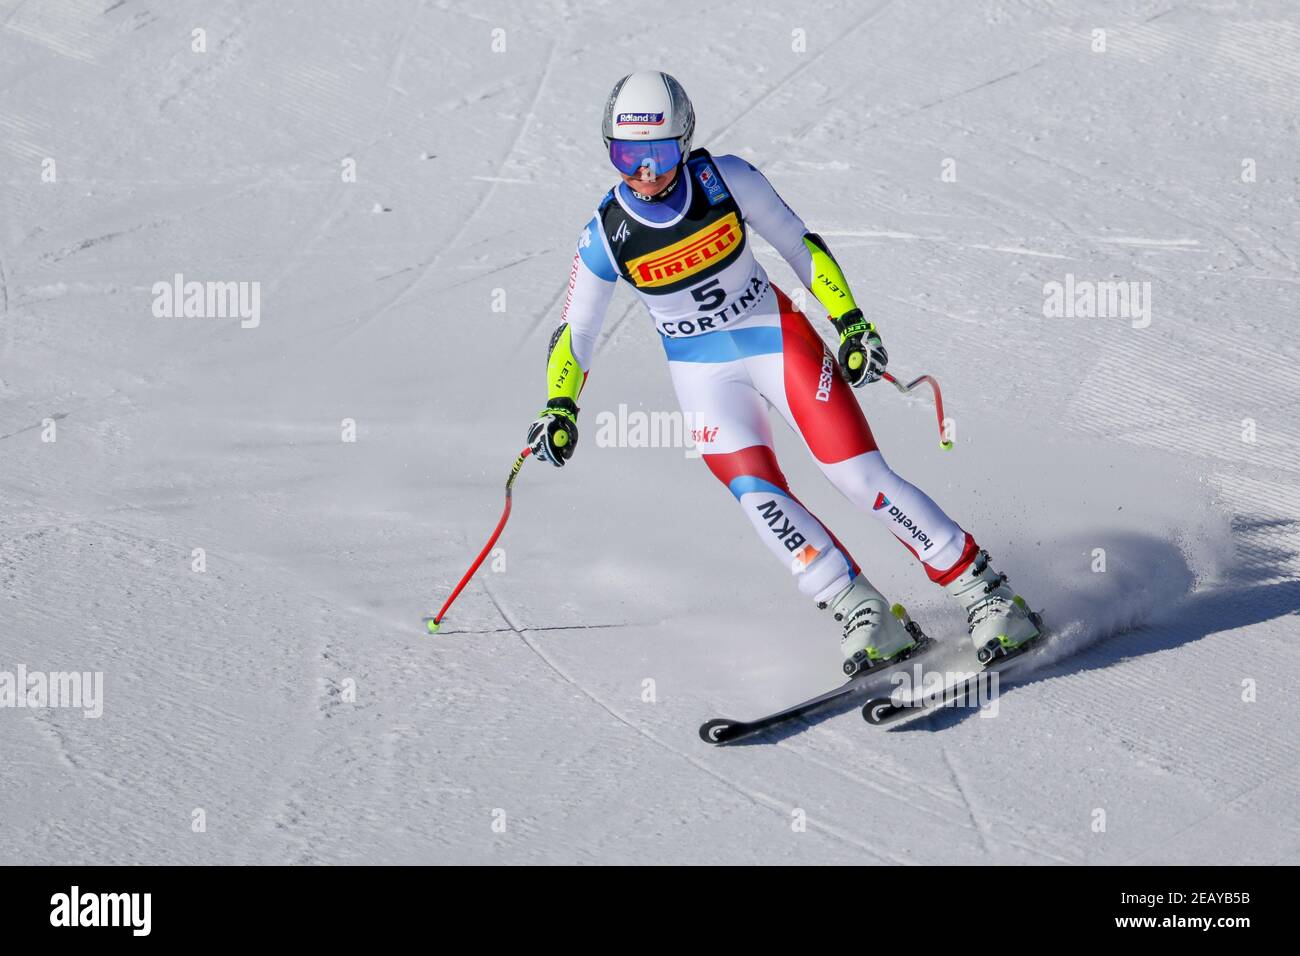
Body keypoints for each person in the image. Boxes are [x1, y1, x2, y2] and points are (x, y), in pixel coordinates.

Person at [527, 70, 1039, 676]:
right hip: (703, 375)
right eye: (627, 154)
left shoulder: (727, 179)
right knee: (757, 493)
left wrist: (851, 323)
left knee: (856, 475)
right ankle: (860, 609)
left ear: (684, 141)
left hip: (775, 340)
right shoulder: (605, 235)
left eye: (658, 153)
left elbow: (801, 245)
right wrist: (559, 405)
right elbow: (575, 333)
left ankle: (987, 594)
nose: (643, 171)